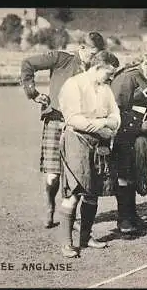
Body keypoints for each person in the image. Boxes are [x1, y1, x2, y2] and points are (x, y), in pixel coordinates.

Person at [20, 31, 106, 229]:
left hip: (80, 127)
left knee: (76, 173)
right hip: (56, 121)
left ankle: (70, 216)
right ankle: (50, 205)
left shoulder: (96, 70)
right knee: (52, 177)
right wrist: (32, 92)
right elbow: (27, 63)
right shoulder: (61, 59)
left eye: (98, 54)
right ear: (82, 48)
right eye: (92, 53)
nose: (95, 58)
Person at [57, 50, 121, 258]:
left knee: (93, 192)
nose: (111, 78)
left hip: (99, 143)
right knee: (74, 193)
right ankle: (67, 243)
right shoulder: (73, 85)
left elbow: (116, 118)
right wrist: (102, 124)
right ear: (96, 67)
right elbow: (74, 119)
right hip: (77, 141)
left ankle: (85, 237)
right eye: (108, 73)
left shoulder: (106, 89)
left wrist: (103, 124)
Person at [110, 45, 147, 234]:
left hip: (143, 135)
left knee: (136, 175)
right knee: (124, 176)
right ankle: (124, 220)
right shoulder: (127, 77)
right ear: (146, 62)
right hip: (125, 134)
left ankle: (132, 215)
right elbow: (115, 110)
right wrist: (138, 126)